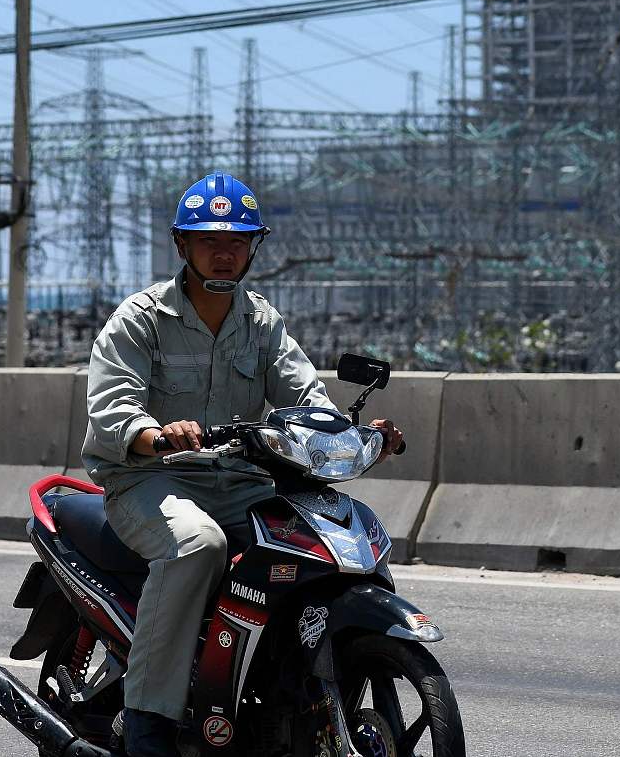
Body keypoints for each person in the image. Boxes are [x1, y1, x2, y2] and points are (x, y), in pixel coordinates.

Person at [82, 172, 405, 757]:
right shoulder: (140, 319)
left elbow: (306, 399)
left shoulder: (261, 323)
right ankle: (150, 722)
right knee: (198, 545)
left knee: (321, 542)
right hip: (150, 479)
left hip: (238, 479)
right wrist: (156, 434)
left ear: (254, 248)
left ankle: (297, 681)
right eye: (209, 240)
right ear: (182, 245)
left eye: (237, 241)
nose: (224, 252)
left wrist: (353, 434)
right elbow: (112, 409)